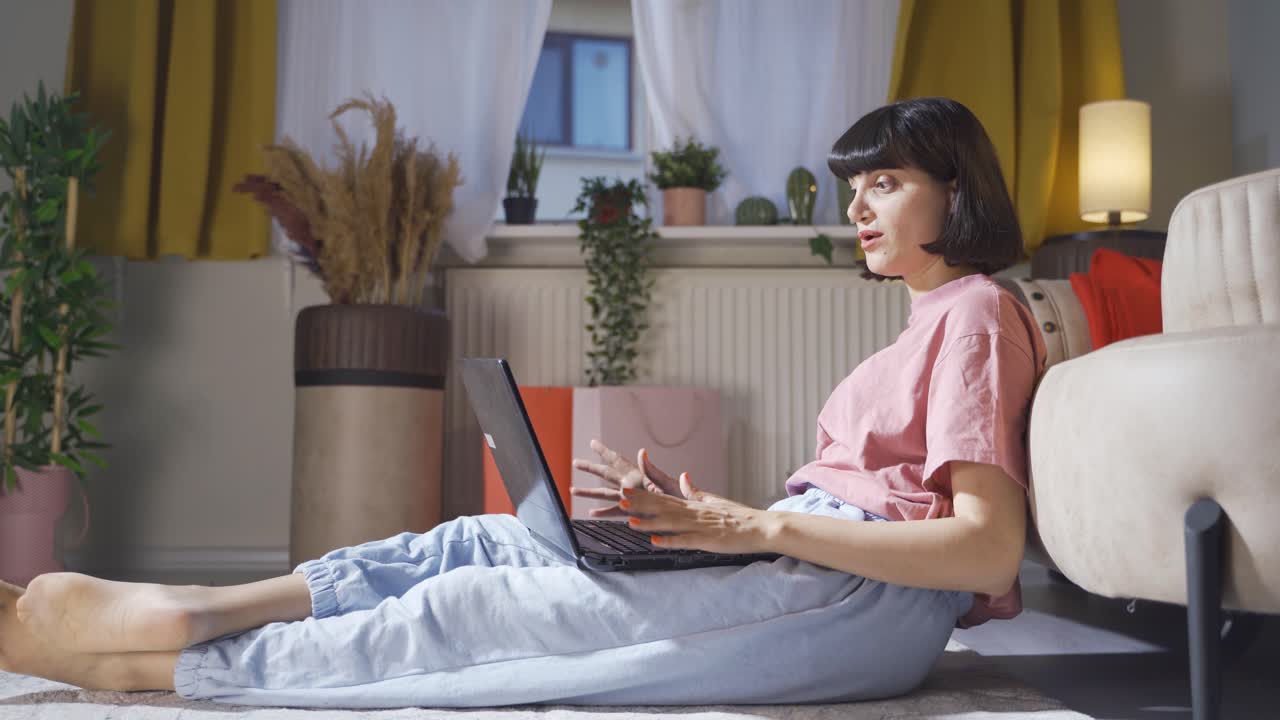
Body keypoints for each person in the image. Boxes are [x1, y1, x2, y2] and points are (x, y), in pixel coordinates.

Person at [0, 96, 1045, 708]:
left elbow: (983, 551)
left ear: (954, 192)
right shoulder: (926, 320)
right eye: (852, 187)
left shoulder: (973, 315)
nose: (858, 207)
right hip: (814, 556)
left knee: (479, 613)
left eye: (886, 183)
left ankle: (167, 662)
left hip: (864, 601)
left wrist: (756, 524)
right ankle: (206, 610)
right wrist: (717, 528)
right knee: (476, 541)